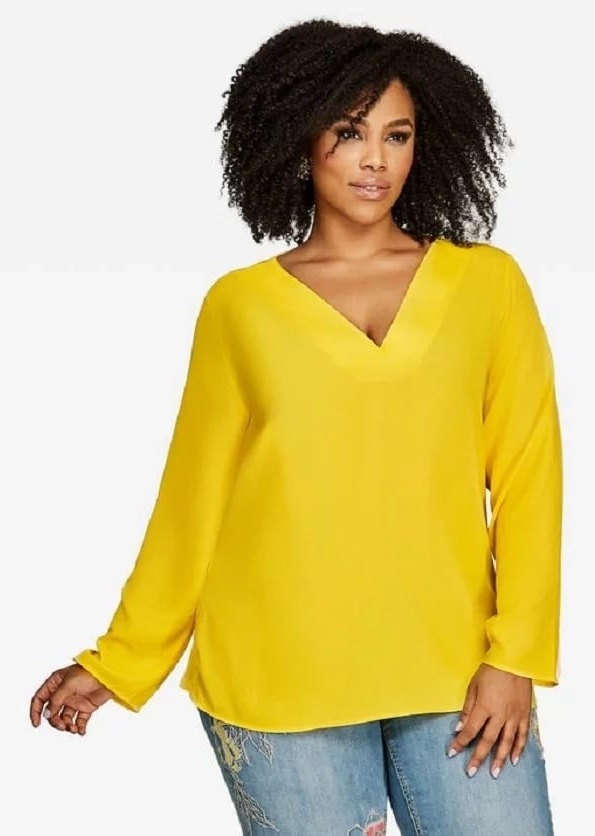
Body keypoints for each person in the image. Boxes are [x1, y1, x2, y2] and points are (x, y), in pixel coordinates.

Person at [29, 18, 563, 835]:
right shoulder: (239, 307)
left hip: (458, 667)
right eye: (349, 133)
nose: (375, 160)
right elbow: (193, 500)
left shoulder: (488, 286)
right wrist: (123, 660)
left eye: (397, 135)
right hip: (278, 671)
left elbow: (529, 476)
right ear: (300, 139)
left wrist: (516, 654)